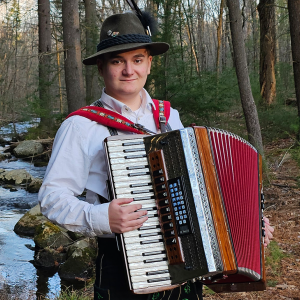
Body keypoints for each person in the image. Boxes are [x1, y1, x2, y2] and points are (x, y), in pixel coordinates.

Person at [38, 10, 274, 300]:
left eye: (137, 60)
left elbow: (200, 186)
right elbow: (52, 199)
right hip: (122, 271)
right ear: (101, 67)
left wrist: (251, 222)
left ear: (149, 64)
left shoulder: (169, 116)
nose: (129, 70)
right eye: (117, 61)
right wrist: (101, 216)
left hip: (187, 267)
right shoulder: (81, 126)